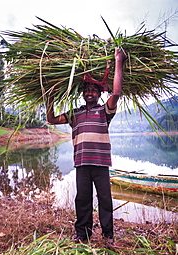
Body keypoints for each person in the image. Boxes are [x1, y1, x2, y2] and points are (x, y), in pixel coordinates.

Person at [46, 47, 127, 244]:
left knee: (105, 200)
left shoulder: (104, 111)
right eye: (87, 90)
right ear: (82, 94)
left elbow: (116, 92)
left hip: (100, 164)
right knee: (82, 200)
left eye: (94, 90)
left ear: (99, 94)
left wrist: (118, 60)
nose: (89, 92)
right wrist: (50, 94)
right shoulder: (75, 114)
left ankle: (108, 235)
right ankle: (83, 234)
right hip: (82, 164)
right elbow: (51, 119)